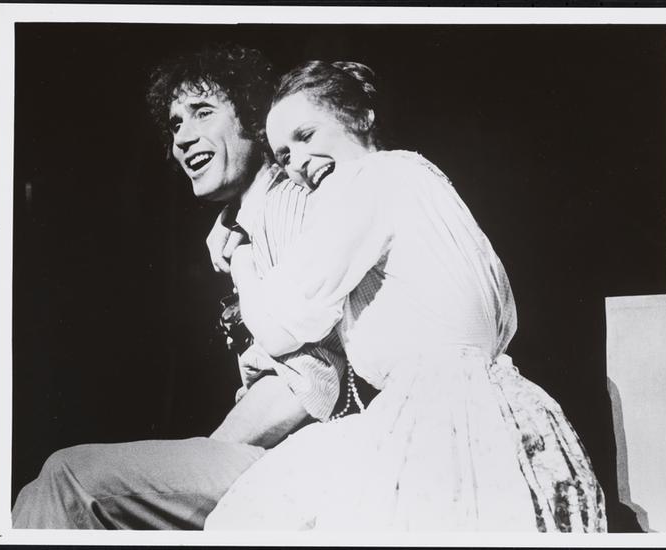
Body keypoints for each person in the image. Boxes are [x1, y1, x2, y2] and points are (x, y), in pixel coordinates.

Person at [204, 60, 608, 532]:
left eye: (306, 135)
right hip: (508, 414)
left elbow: (281, 328)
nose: (298, 163)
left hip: (435, 421)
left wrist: (243, 253)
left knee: (256, 515)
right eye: (284, 155)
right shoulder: (422, 176)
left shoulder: (362, 181)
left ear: (361, 118)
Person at [11, 44, 349, 529]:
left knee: (68, 478)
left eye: (203, 112)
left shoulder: (288, 202)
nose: (182, 140)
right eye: (174, 125)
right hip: (282, 454)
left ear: (255, 120)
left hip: (308, 460)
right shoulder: (244, 225)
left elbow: (313, 381)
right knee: (41, 491)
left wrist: (203, 455)